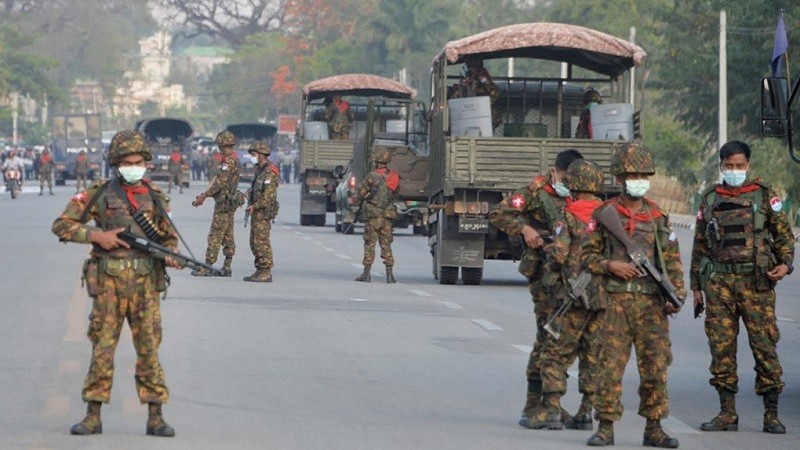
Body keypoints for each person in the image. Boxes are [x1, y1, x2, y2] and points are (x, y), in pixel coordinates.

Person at [51, 130, 181, 437]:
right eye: (128, 162)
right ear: (116, 163)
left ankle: (155, 416)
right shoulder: (98, 192)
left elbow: (168, 238)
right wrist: (98, 236)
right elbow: (62, 225)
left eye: (139, 161)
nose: (134, 167)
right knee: (103, 350)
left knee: (148, 349)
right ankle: (93, 415)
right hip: (108, 284)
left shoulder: (156, 197)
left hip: (145, 284)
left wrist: (171, 254)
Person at [582, 142, 684, 448]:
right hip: (615, 304)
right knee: (609, 367)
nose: (638, 179)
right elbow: (583, 258)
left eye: (643, 174)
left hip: (651, 306)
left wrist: (675, 294)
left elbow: (673, 262)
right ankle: (604, 427)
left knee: (655, 368)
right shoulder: (604, 214)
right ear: (619, 178)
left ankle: (654, 428)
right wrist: (610, 264)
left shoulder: (658, 217)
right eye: (632, 174)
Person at [690, 140, 794, 434]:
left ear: (748, 165)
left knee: (764, 347)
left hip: (756, 284)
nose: (734, 171)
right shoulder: (710, 198)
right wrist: (696, 287)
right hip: (720, 284)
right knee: (721, 348)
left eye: (740, 166)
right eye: (729, 166)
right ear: (720, 165)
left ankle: (771, 414)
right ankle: (726, 413)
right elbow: (700, 245)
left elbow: (784, 235)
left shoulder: (763, 195)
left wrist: (786, 263)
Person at [487, 149, 582, 428]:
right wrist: (524, 229)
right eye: (568, 176)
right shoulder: (534, 191)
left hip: (571, 273)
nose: (571, 181)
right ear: (557, 171)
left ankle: (552, 402)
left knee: (567, 339)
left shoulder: (578, 194)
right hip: (543, 273)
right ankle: (534, 404)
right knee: (547, 334)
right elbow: (498, 214)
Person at [531, 159, 606, 431]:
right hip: (601, 296)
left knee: (556, 353)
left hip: (572, 296)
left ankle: (551, 410)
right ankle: (586, 412)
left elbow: (560, 255)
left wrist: (550, 258)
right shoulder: (610, 214)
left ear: (573, 184)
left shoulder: (570, 213)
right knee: (592, 353)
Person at [191, 131, 243, 277]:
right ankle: (227, 266)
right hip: (230, 203)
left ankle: (207, 266)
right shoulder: (234, 161)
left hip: (223, 204)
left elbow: (219, 183)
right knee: (228, 235)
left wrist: (204, 196)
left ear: (226, 146)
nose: (220, 150)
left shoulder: (228, 163)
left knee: (215, 234)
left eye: (221, 147)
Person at [354, 148, 400, 283]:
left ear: (377, 162)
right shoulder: (394, 177)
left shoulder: (371, 176)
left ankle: (366, 274)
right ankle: (390, 275)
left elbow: (361, 194)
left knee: (370, 243)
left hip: (373, 216)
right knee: (386, 244)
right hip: (387, 217)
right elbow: (396, 193)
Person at [243, 141, 280, 282]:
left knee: (261, 241)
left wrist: (255, 206)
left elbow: (268, 197)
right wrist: (248, 194)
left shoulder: (269, 173)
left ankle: (266, 271)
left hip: (262, 212)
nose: (252, 157)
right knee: (254, 241)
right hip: (256, 211)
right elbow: (257, 190)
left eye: (254, 154)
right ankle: (259, 270)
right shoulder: (260, 171)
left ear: (262, 155)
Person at [451, 57, 502, 130]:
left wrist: (484, 105)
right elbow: (456, 97)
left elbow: (495, 91)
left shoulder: (483, 80)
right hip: (468, 116)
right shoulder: (468, 82)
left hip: (483, 116)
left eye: (470, 67)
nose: (467, 69)